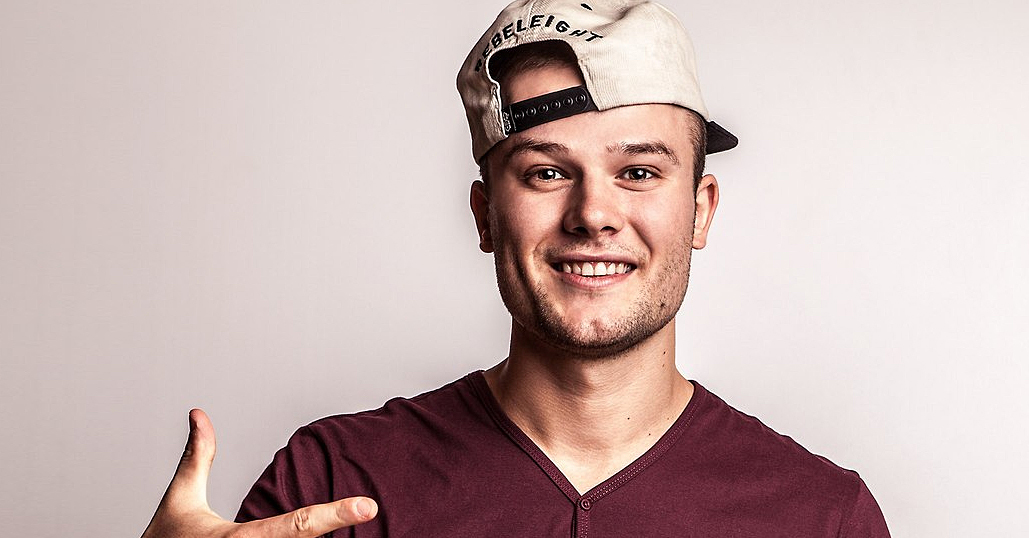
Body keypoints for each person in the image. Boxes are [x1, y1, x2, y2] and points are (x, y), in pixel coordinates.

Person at [142, 1, 890, 536]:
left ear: (701, 211)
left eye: (638, 172)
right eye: (546, 173)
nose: (593, 214)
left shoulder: (821, 517)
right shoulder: (337, 486)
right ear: (485, 215)